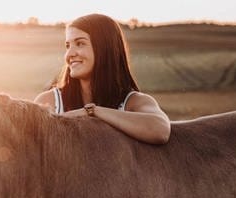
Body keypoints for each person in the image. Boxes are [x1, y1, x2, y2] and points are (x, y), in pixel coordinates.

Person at [34, 13, 170, 144]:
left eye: (80, 43)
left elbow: (160, 130)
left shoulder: (132, 102)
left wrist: (92, 112)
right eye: (68, 45)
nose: (69, 54)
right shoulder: (49, 102)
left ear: (104, 48)